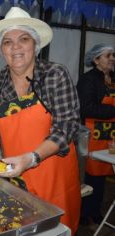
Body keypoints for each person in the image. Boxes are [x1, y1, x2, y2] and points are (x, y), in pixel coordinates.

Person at [0, 7, 81, 234]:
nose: (16, 47)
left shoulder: (54, 75)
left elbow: (66, 127)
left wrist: (31, 158)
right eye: (8, 42)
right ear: (1, 49)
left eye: (24, 39)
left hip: (55, 178)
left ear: (35, 44)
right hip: (16, 181)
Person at [76, 44, 115, 225]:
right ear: (96, 60)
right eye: (108, 55)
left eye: (113, 55)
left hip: (111, 135)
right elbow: (85, 108)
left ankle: (96, 211)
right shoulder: (88, 79)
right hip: (93, 136)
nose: (112, 58)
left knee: (104, 175)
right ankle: (84, 214)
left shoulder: (113, 78)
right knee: (92, 178)